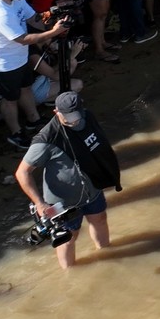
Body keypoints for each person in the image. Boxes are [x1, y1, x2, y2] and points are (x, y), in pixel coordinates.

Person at [16, 92, 119, 272]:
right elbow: (22, 173)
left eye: (77, 117)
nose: (74, 122)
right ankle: (69, 271)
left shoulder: (87, 117)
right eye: (69, 118)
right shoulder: (47, 139)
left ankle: (106, 257)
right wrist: (39, 203)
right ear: (56, 112)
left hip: (92, 188)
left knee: (100, 219)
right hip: (63, 203)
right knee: (69, 237)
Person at [0, 0, 68, 150]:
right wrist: (53, 32)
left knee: (25, 88)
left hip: (19, 58)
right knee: (9, 100)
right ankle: (16, 134)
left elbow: (32, 18)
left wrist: (52, 21)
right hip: (2, 64)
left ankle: (33, 120)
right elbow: (23, 39)